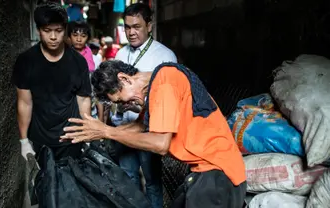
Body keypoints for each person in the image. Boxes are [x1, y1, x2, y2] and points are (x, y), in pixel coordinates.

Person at [61, 60, 247, 208]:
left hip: (219, 173)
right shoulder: (157, 86)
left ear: (125, 79)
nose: (125, 104)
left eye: (121, 99)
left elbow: (160, 144)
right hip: (204, 171)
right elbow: (140, 126)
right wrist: (95, 132)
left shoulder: (165, 81)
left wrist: (106, 131)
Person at [106, 3, 177, 208]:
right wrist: (118, 110)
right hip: (124, 129)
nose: (131, 32)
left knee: (153, 181)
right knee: (127, 178)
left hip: (149, 129)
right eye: (127, 27)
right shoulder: (119, 55)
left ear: (149, 25)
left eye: (136, 26)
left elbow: (169, 98)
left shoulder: (165, 56)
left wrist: (139, 107)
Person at [12, 2, 91, 163]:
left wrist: (86, 133)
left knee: (70, 185)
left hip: (71, 138)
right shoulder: (26, 61)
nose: (53, 37)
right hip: (40, 139)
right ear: (38, 30)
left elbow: (83, 99)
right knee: (45, 185)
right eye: (47, 31)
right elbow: (24, 102)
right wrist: (24, 141)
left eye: (59, 31)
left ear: (65, 30)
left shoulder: (78, 62)